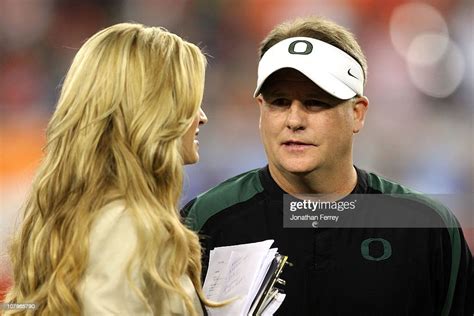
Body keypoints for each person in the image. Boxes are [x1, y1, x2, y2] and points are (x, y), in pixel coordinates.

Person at [182, 16, 473, 315]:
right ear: (260, 109)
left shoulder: (424, 228)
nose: (294, 121)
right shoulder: (205, 222)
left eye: (315, 102)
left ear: (357, 113)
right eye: (279, 102)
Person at [4, 22, 221, 315]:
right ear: (152, 111)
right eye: (190, 102)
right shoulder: (128, 225)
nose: (202, 117)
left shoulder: (73, 212)